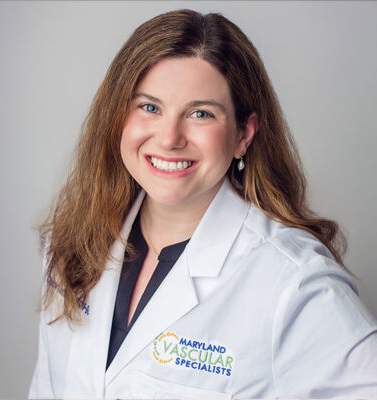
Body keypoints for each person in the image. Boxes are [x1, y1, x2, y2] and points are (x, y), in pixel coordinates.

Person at [28, 9, 377, 399]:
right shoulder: (73, 239)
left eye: (200, 113)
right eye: (150, 107)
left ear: (244, 134)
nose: (169, 138)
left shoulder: (293, 282)